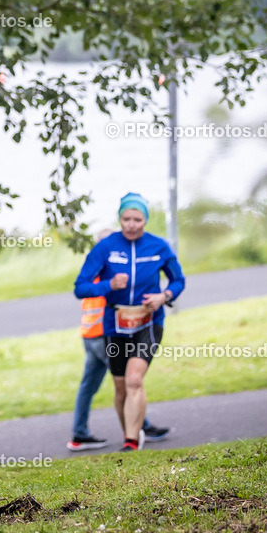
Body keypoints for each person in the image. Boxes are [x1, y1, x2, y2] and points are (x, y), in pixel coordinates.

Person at [73, 193, 185, 452]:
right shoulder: (105, 247)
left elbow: (178, 280)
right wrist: (108, 285)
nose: (131, 224)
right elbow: (81, 287)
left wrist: (164, 296)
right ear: (120, 219)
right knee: (121, 386)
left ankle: (132, 442)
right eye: (126, 219)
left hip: (148, 322)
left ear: (145, 220)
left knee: (135, 379)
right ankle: (130, 435)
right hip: (116, 324)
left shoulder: (159, 246)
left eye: (137, 219)